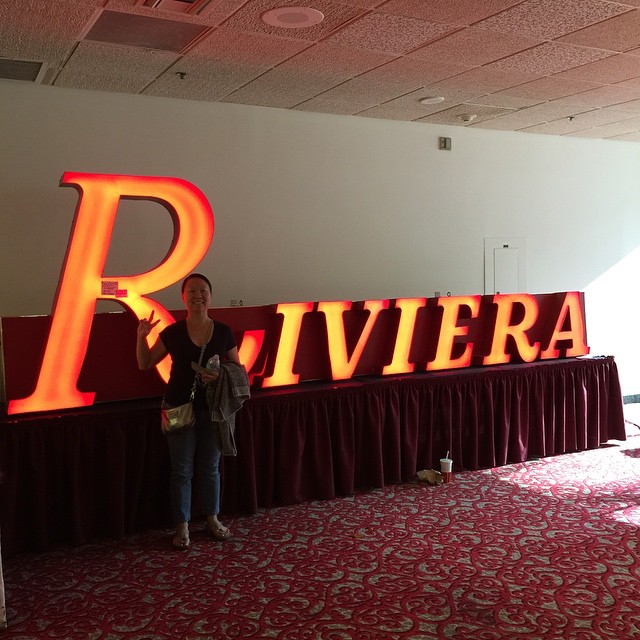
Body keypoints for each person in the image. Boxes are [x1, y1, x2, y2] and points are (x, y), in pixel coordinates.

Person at [136, 273, 240, 550]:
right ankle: (182, 526)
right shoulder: (172, 332)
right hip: (177, 407)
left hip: (214, 410)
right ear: (184, 297)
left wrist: (218, 377)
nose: (198, 295)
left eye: (203, 290)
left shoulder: (224, 332)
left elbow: (238, 372)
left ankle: (212, 520)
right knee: (181, 471)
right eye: (192, 291)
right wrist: (141, 337)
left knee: (210, 468)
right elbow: (145, 363)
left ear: (211, 296)